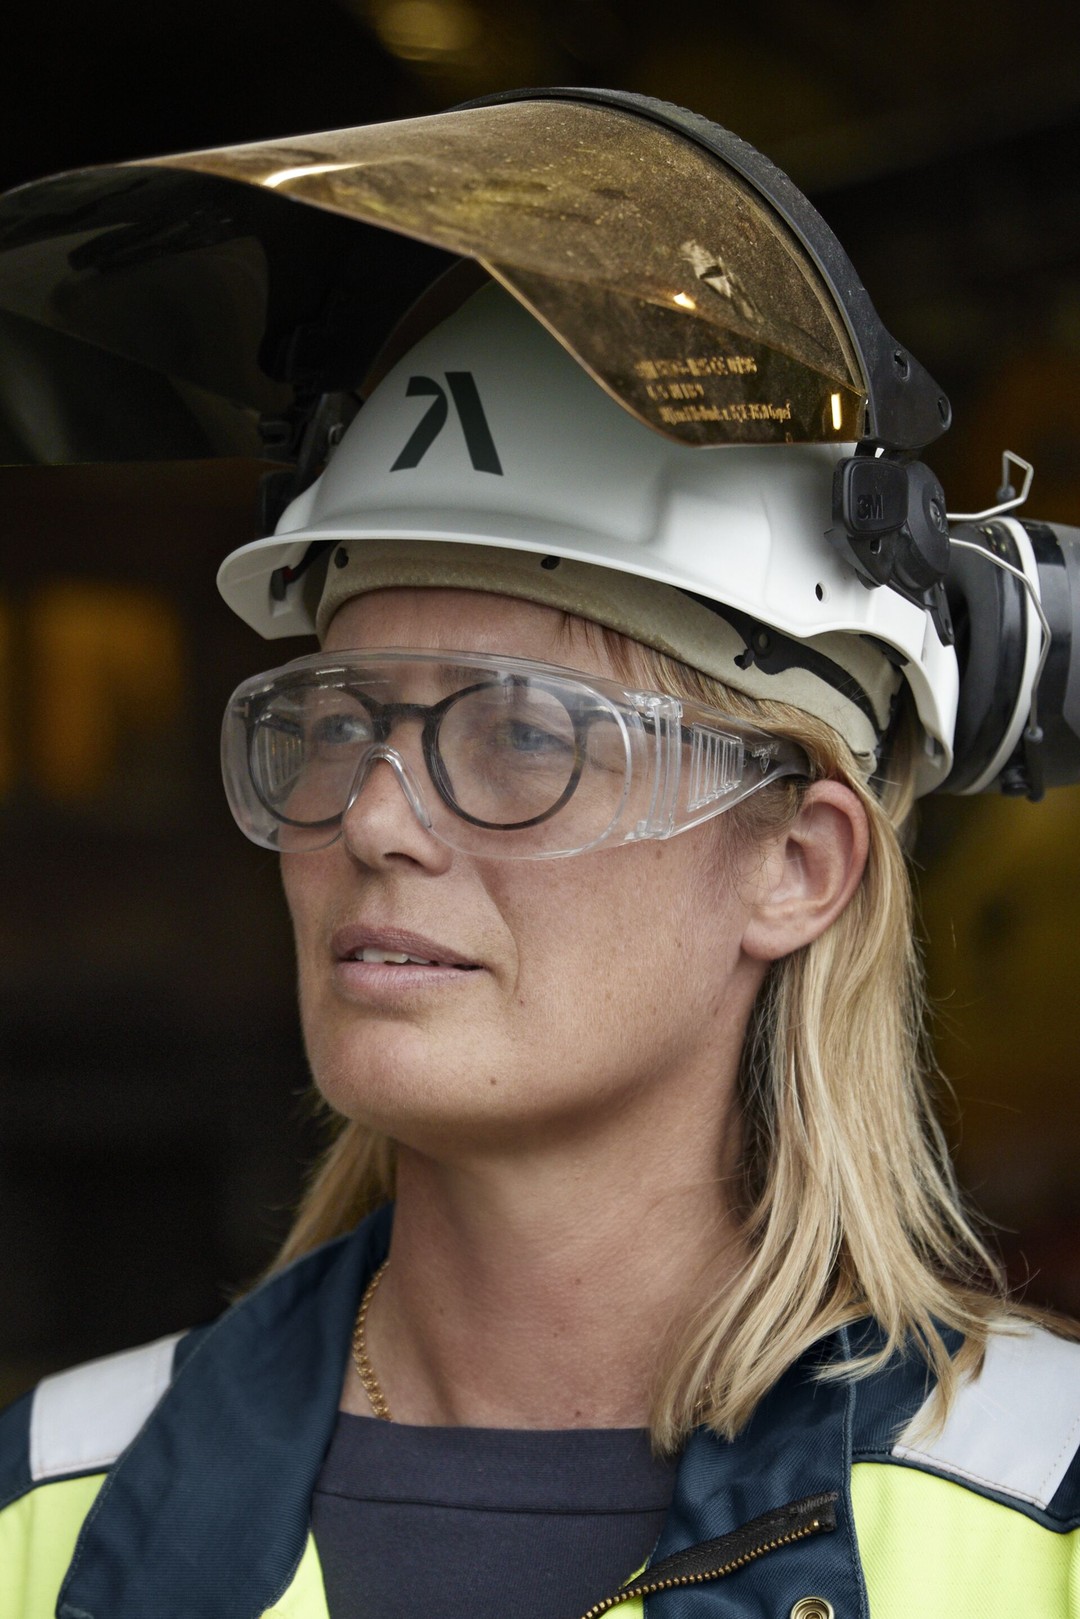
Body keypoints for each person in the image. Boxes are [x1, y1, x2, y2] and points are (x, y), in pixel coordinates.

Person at [2, 90, 1079, 1619]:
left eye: (522, 735)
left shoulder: (1045, 1511)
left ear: (798, 863)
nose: (372, 818)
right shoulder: (48, 1507)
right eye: (335, 720)